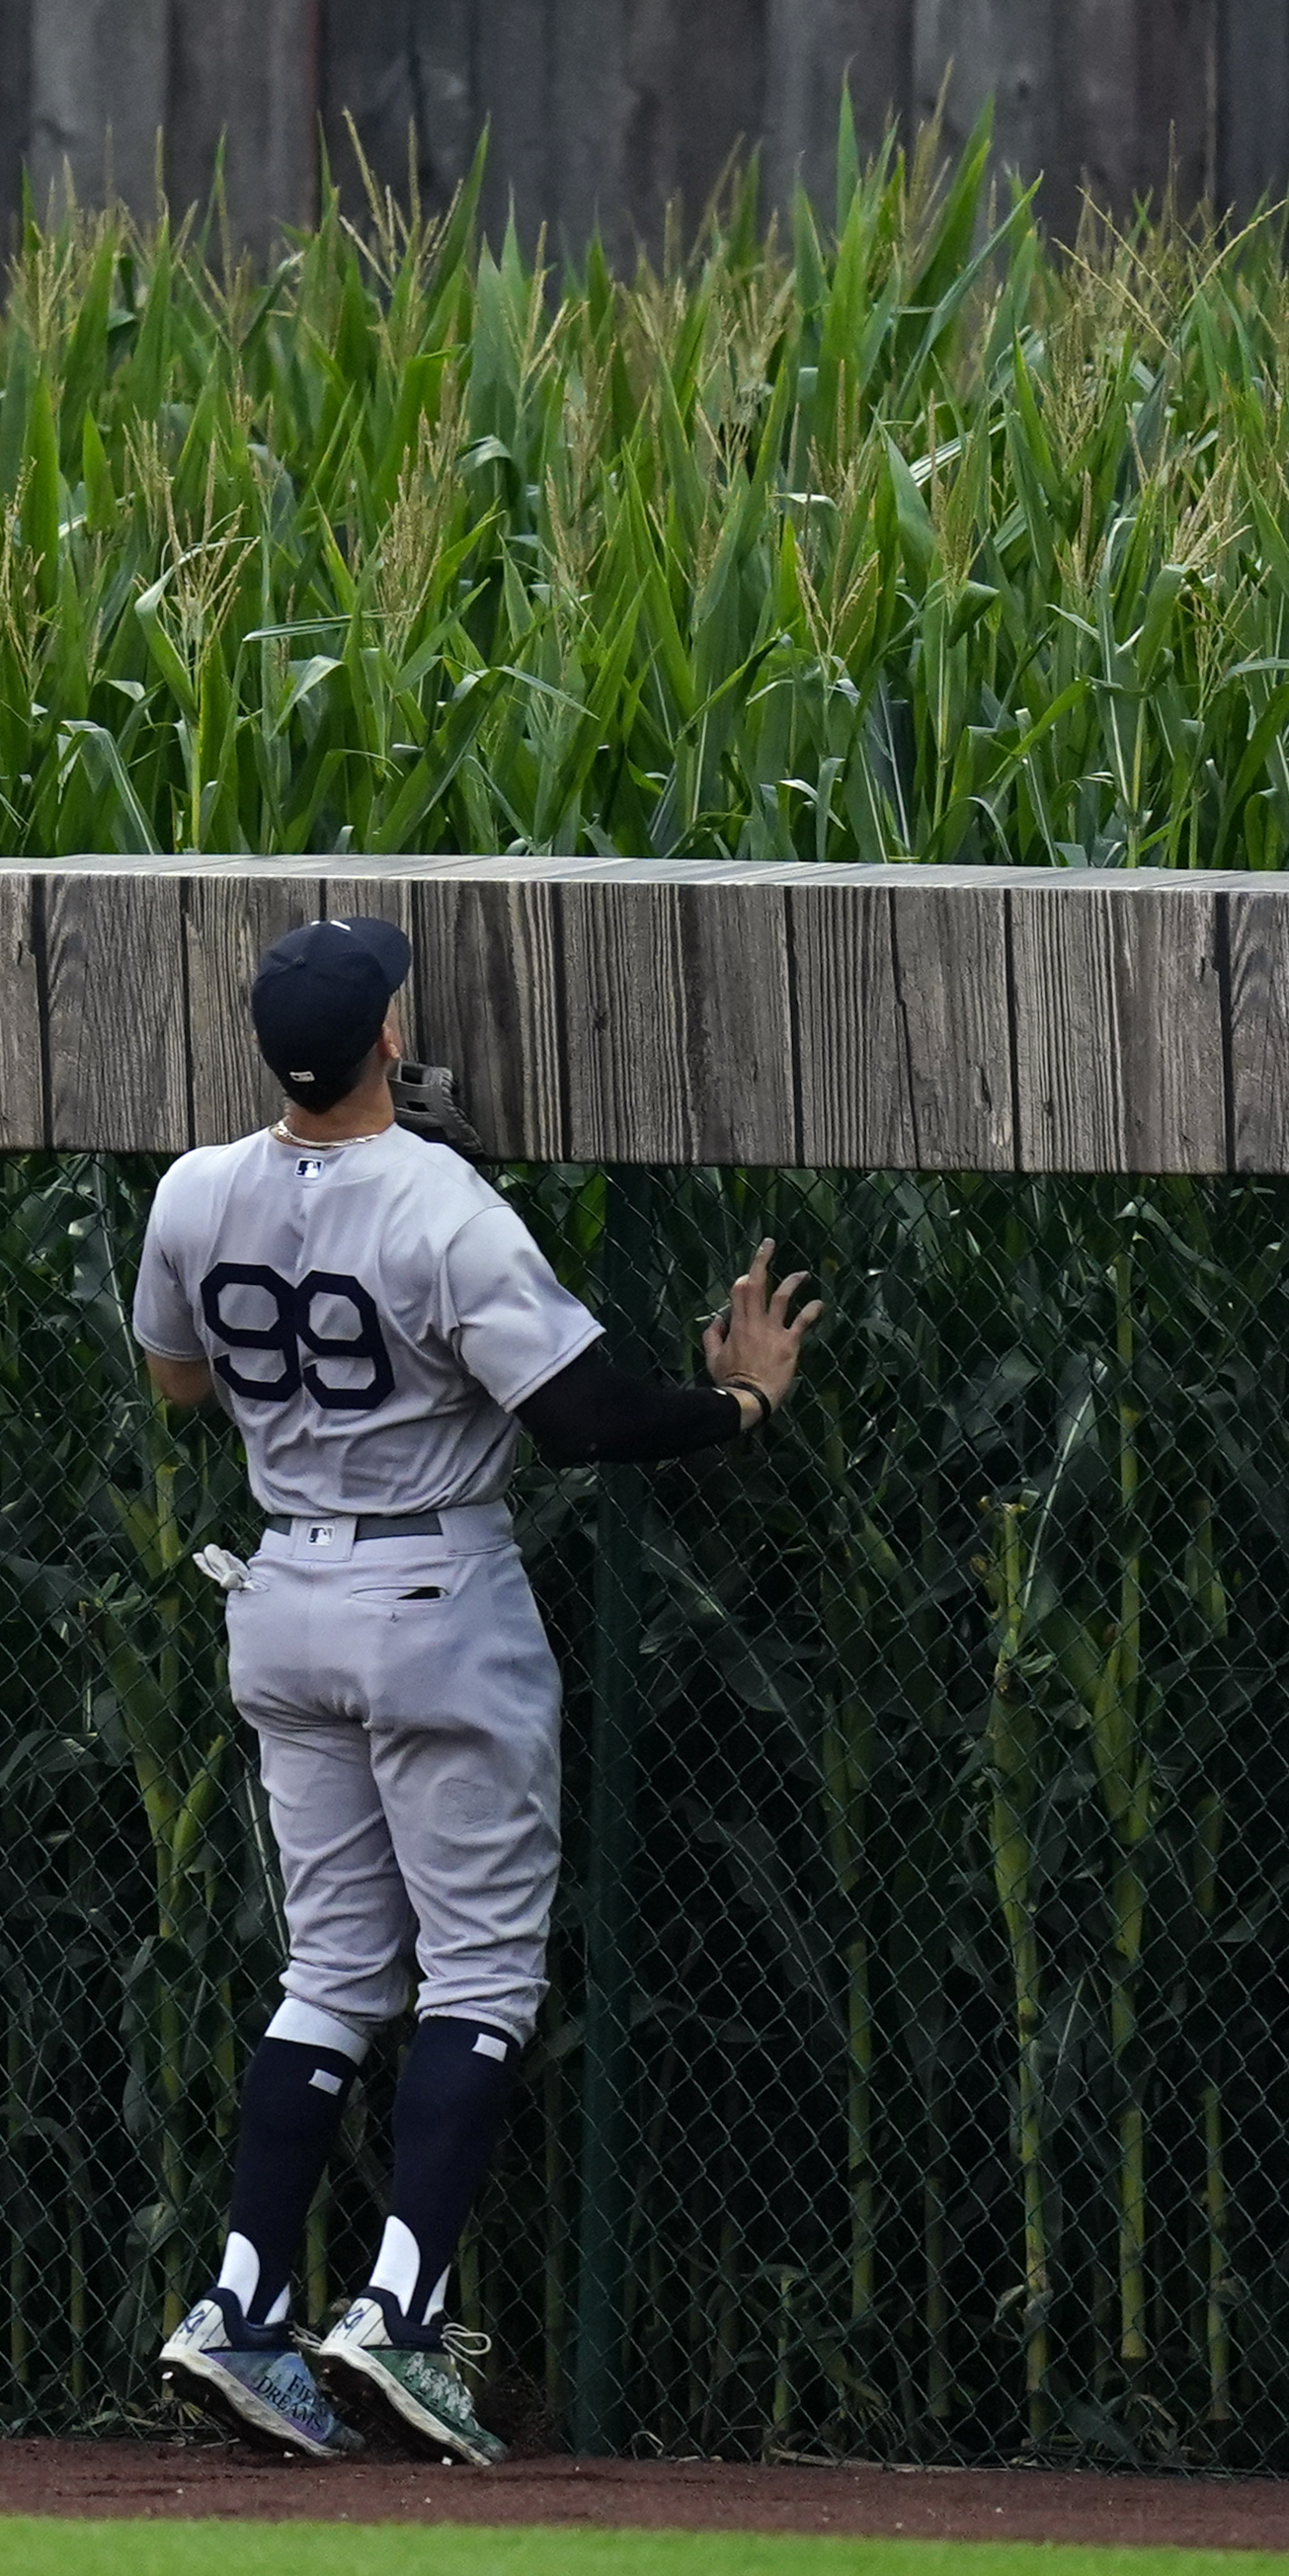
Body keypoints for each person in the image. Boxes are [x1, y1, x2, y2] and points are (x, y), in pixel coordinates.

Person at [132, 913, 822, 2462]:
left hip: (287, 1589)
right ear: (389, 1037)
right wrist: (743, 1400)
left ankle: (242, 2313)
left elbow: (183, 1384)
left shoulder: (195, 1189)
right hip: (434, 1593)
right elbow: (581, 1420)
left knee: (329, 1976)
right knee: (484, 1979)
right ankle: (397, 2315)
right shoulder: (445, 1208)